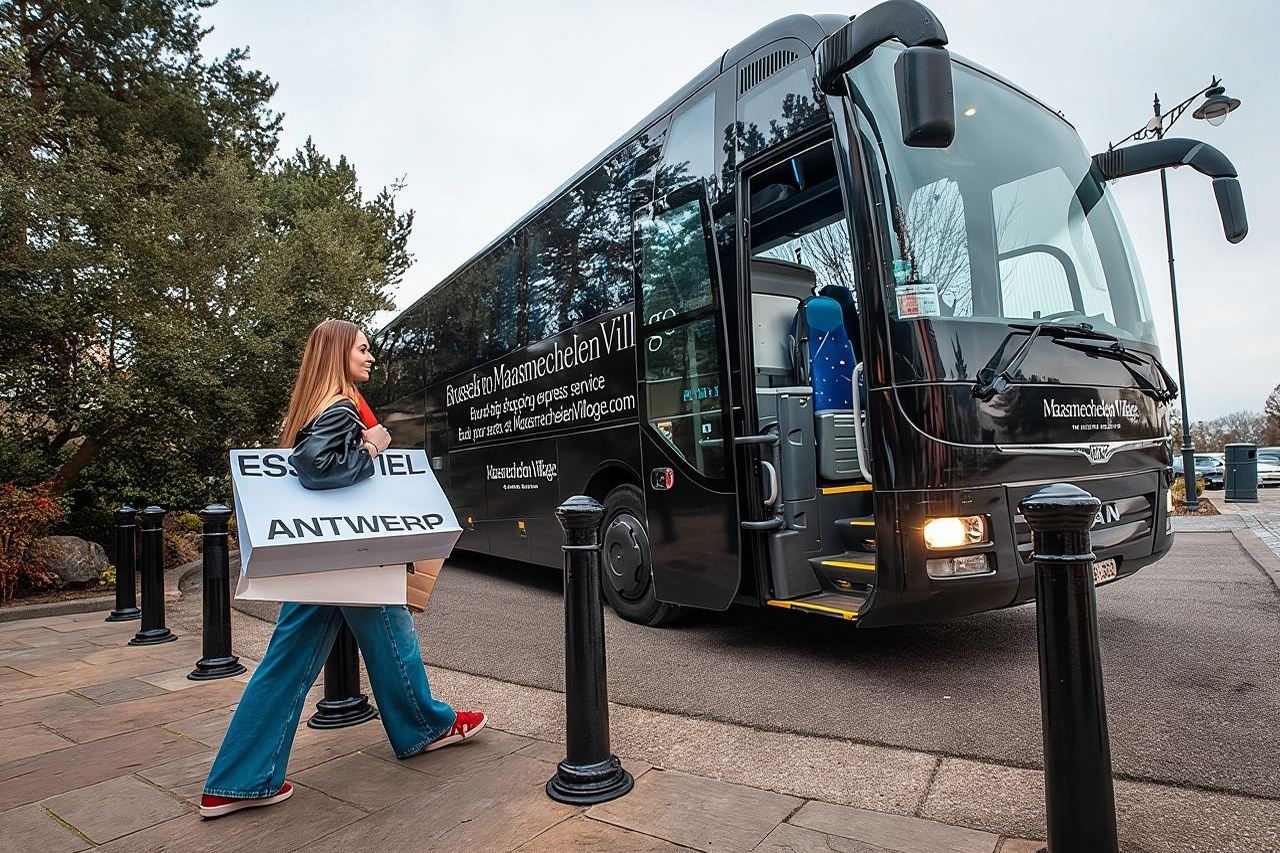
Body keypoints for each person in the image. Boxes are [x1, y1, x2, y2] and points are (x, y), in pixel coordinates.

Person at [200, 319, 485, 819]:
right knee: (371, 635)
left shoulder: (319, 403)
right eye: (363, 350)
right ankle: (421, 727)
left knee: (325, 648)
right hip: (347, 552)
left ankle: (241, 777)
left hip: (328, 554)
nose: (371, 357)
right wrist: (374, 444)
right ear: (338, 355)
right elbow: (318, 467)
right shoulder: (339, 407)